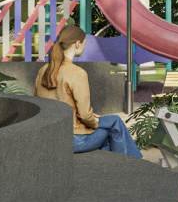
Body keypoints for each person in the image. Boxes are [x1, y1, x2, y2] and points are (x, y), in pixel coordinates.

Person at [35, 24, 141, 158]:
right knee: (115, 124)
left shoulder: (43, 70)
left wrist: (92, 118)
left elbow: (40, 104)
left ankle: (119, 163)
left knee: (110, 124)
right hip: (73, 140)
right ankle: (131, 164)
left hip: (49, 135)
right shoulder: (77, 73)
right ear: (77, 44)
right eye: (84, 43)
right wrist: (95, 121)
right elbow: (85, 116)